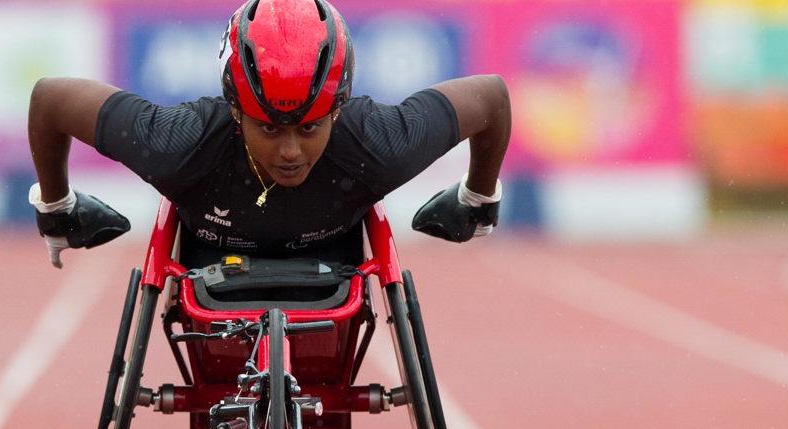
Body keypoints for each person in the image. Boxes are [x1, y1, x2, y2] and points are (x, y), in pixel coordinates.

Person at [27, 0, 510, 269]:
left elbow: (491, 97)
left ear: (338, 110)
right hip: (211, 260)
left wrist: (478, 198)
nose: (290, 152)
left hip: (333, 259)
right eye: (269, 128)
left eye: (310, 127)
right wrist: (56, 207)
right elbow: (50, 99)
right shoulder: (180, 143)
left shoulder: (379, 142)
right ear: (235, 110)